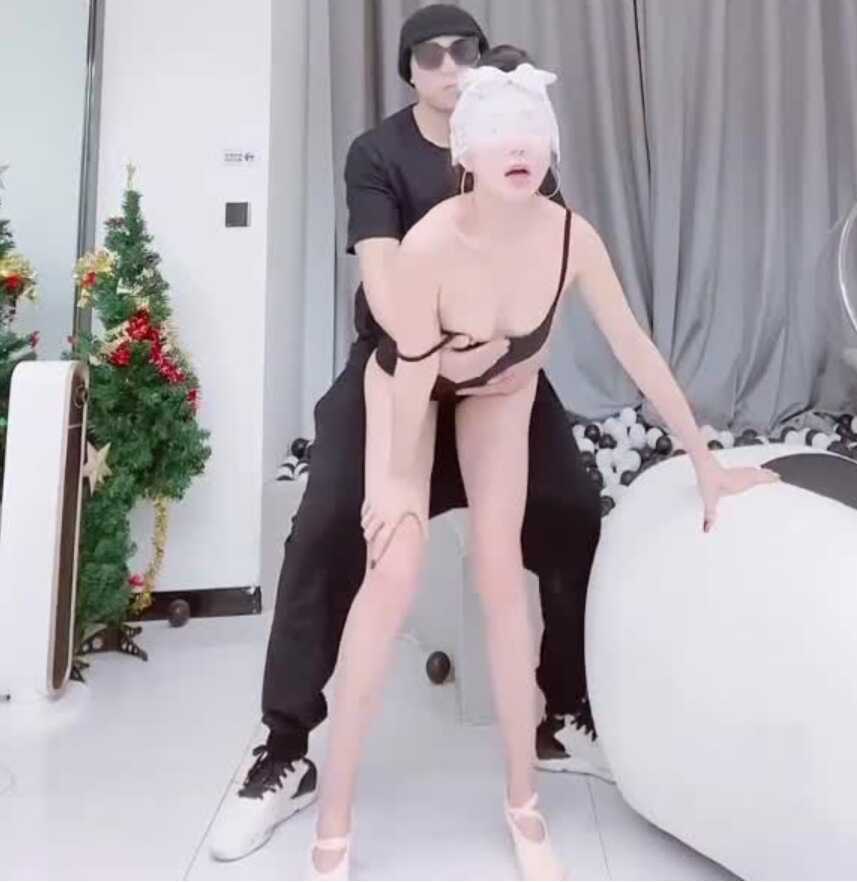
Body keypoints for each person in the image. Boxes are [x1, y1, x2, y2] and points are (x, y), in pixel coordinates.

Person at [308, 57, 780, 881]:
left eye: (532, 133)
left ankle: (522, 801)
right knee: (393, 572)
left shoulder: (570, 237)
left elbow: (634, 347)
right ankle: (334, 821)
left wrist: (703, 461)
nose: (518, 148)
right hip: (411, 385)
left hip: (500, 394)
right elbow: (411, 374)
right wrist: (389, 483)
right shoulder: (431, 242)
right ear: (465, 152)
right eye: (498, 134)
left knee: (501, 576)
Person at [209, 6, 607, 865]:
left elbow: (549, 260)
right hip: (401, 369)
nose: (449, 66)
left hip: (499, 377)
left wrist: (513, 352)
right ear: (408, 69)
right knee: (325, 522)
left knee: (573, 509)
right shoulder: (377, 154)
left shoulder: (510, 133)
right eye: (429, 55)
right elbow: (386, 283)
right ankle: (285, 751)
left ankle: (560, 711)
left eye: (464, 51)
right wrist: (437, 356)